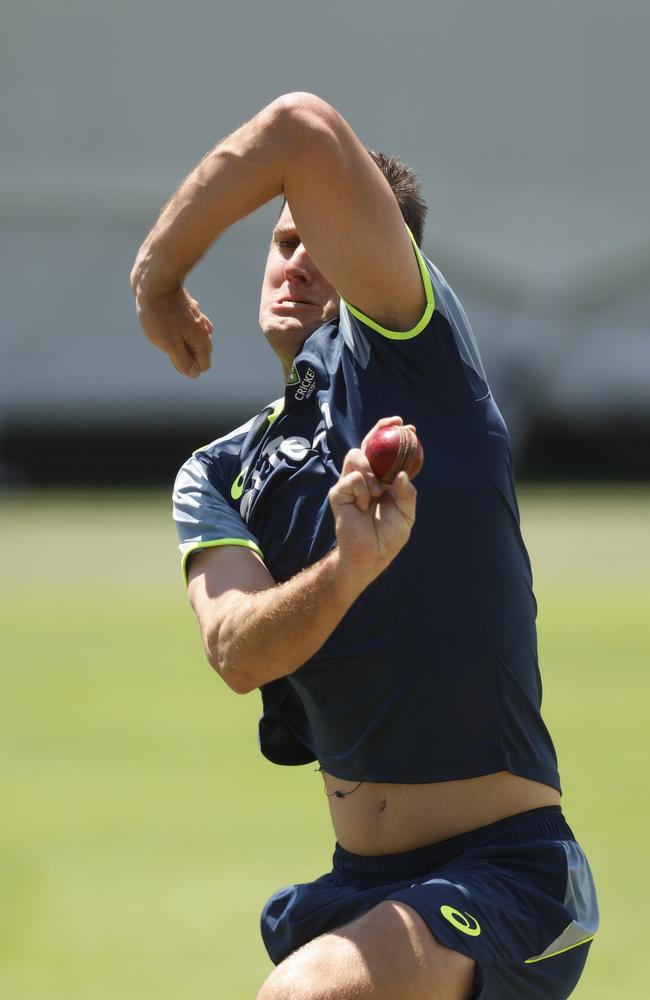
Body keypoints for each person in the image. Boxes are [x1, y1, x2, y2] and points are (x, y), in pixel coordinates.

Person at [131, 93, 598, 1000]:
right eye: (282, 243)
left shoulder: (413, 356)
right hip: (359, 888)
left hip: (504, 872)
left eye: (322, 242)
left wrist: (156, 278)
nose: (298, 262)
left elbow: (300, 129)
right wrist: (348, 570)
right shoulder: (219, 472)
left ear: (380, 261)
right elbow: (236, 652)